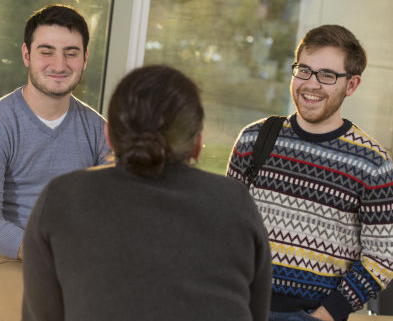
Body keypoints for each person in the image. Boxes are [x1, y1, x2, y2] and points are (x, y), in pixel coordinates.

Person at [22, 65, 273, 321]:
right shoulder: (235, 202)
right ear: (197, 144)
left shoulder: (62, 197)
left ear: (109, 137)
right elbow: (258, 312)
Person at [226, 25, 393, 321]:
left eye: (327, 75)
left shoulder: (373, 163)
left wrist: (328, 314)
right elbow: (226, 226)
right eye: (304, 70)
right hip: (243, 307)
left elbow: (383, 258)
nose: (312, 84)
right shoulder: (253, 139)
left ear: (352, 85)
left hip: (313, 315)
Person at [0, 4, 111, 321]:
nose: (59, 64)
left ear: (85, 58)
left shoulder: (99, 131)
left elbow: (110, 213)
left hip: (75, 266)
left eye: (71, 53)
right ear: (27, 55)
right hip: (2, 262)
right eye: (47, 52)